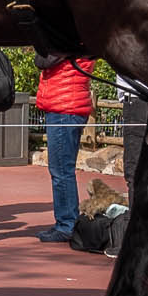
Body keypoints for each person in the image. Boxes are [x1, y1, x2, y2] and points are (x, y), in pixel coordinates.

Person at [35, 53, 97, 242]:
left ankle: (67, 225)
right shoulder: (82, 42)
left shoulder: (68, 41)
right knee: (62, 170)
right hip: (68, 104)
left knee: (61, 170)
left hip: (65, 106)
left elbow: (42, 60)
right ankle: (65, 222)